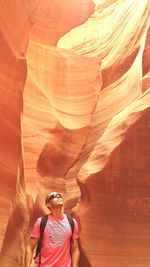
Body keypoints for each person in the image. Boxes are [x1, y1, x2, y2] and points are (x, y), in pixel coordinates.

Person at [26, 192, 80, 267]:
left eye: (59, 196)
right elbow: (30, 247)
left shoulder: (72, 222)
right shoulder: (41, 222)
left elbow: (75, 249)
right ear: (48, 204)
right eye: (54, 196)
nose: (58, 197)